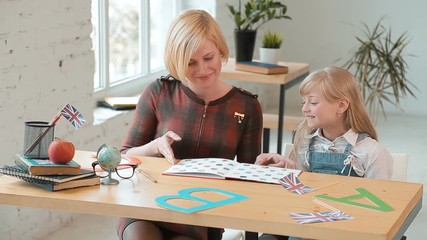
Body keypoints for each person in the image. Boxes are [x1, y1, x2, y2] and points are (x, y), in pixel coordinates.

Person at [117, 9, 263, 240]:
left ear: (220, 51)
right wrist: (155, 146)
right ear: (176, 60)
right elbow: (123, 157)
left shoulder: (246, 105)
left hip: (201, 216)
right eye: (190, 63)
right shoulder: (158, 92)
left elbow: (250, 180)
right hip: (147, 208)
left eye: (208, 58)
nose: (202, 70)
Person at [256, 66, 393, 240]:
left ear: (341, 105)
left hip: (347, 231)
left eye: (312, 103)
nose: (305, 108)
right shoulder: (305, 143)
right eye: (303, 102)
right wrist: (287, 169)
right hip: (305, 224)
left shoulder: (372, 152)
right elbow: (299, 194)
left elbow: (378, 209)